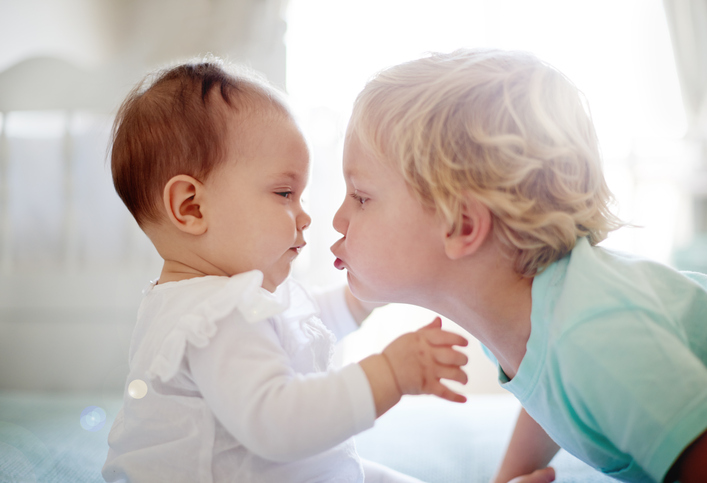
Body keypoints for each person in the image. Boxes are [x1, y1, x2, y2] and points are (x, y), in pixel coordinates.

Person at [331, 48, 707, 483]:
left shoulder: (595, 333)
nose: (337, 220)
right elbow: (549, 394)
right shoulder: (518, 314)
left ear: (463, 225)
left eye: (361, 197)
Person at [101, 58, 472, 483]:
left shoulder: (208, 302)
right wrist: (389, 374)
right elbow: (277, 422)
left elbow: (302, 326)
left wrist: (362, 298)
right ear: (191, 206)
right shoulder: (216, 315)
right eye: (284, 192)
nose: (305, 216)